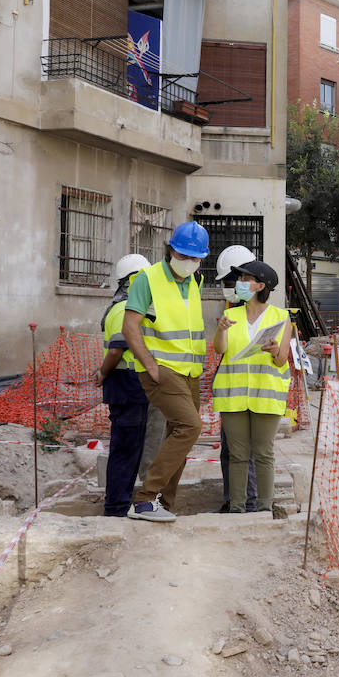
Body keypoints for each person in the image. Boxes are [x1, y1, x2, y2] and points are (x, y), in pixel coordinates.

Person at [120, 222, 210, 522]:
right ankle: (144, 499)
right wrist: (150, 366)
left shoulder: (194, 281)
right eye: (185, 256)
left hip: (190, 372)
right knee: (191, 426)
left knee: (178, 432)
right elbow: (129, 327)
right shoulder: (147, 280)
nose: (190, 263)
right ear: (171, 250)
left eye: (196, 259)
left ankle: (165, 503)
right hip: (162, 370)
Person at [212, 259, 292, 513]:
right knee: (237, 455)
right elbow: (220, 350)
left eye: (245, 279)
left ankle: (264, 508)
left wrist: (275, 349)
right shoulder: (230, 315)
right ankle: (237, 508)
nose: (240, 283)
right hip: (233, 397)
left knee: (263, 454)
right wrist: (221, 330)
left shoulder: (281, 317)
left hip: (265, 397)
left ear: (260, 285)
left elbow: (281, 361)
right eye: (240, 279)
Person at [91, 253, 152, 517]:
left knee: (131, 449)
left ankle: (120, 503)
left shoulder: (129, 308)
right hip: (126, 384)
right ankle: (115, 508)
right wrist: (103, 373)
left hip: (130, 385)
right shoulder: (124, 310)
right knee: (125, 450)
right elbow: (117, 350)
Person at [212, 244, 259, 513]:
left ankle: (249, 504)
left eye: (234, 281)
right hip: (230, 393)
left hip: (250, 395)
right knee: (229, 451)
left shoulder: (260, 314)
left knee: (245, 454)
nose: (231, 287)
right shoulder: (233, 310)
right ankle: (233, 500)